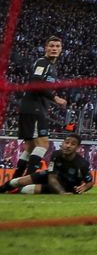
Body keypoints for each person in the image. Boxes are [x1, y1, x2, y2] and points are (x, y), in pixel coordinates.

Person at [13, 36, 68, 179]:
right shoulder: (43, 63)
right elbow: (36, 82)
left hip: (33, 107)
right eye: (51, 46)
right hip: (34, 108)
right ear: (46, 48)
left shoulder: (52, 66)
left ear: (61, 49)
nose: (54, 48)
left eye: (57, 46)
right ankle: (28, 180)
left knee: (31, 148)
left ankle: (15, 180)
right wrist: (55, 98)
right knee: (43, 144)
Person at [0, 134, 92, 195]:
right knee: (17, 182)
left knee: (26, 190)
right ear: (62, 143)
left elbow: (90, 182)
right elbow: (52, 177)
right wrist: (61, 193)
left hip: (66, 185)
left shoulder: (82, 163)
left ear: (78, 148)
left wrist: (84, 188)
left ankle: (13, 191)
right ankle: (2, 189)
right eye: (67, 142)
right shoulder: (56, 154)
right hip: (51, 177)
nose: (68, 146)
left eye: (72, 144)